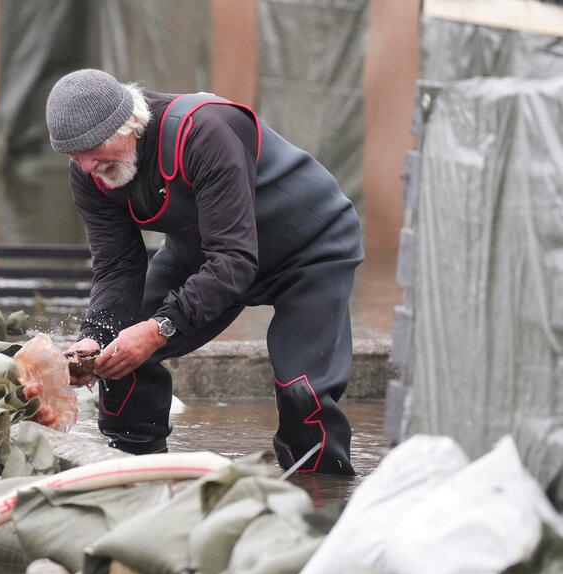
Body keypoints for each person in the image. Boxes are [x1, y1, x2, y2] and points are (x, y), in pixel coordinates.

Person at [45, 68, 363, 475]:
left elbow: (234, 261)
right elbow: (117, 265)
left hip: (310, 247)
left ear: (128, 125)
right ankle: (131, 473)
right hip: (208, 249)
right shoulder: (91, 172)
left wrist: (160, 328)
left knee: (303, 390)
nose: (87, 166)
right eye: (73, 155)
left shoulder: (203, 132)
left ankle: (322, 497)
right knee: (118, 350)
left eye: (93, 148)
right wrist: (93, 338)